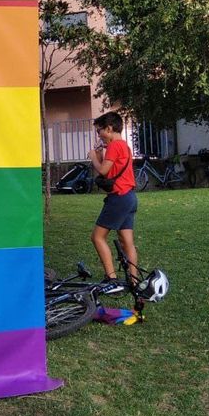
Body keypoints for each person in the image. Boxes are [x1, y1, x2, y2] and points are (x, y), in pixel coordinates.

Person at [88, 111, 138, 293]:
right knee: (127, 242)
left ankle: (112, 279)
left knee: (97, 237)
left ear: (109, 128)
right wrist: (101, 154)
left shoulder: (115, 146)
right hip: (130, 197)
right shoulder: (124, 146)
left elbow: (102, 171)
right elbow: (111, 172)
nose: (98, 134)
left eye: (99, 131)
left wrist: (93, 156)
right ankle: (133, 281)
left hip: (119, 198)